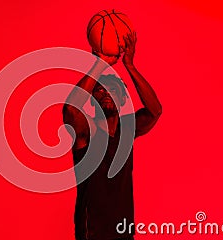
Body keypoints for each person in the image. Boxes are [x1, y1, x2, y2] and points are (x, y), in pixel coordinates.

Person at [62, 33, 162, 240]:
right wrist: (99, 64)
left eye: (114, 89)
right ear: (91, 98)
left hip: (123, 230)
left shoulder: (127, 130)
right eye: (100, 90)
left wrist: (130, 66)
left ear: (124, 96)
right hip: (92, 232)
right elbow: (71, 110)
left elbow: (155, 111)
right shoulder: (86, 131)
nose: (107, 92)